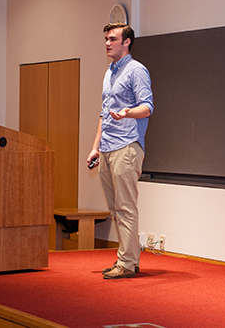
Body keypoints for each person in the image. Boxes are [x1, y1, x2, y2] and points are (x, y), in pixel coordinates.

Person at [87, 23, 154, 280]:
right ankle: (128, 259)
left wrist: (128, 112)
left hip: (126, 145)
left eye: (113, 39)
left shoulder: (136, 70)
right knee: (116, 209)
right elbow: (103, 114)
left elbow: (147, 107)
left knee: (125, 207)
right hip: (107, 147)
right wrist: (95, 147)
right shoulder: (109, 72)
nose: (107, 43)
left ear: (127, 42)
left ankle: (127, 262)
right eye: (106, 38)